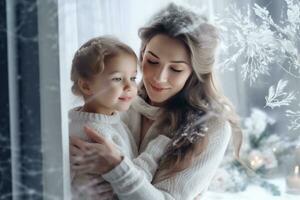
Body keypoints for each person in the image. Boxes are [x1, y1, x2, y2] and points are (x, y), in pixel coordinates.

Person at [70, 3, 242, 200]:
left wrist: (116, 167)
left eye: (176, 69)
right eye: (152, 61)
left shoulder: (212, 128)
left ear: (194, 73)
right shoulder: (119, 102)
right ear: (142, 54)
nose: (159, 77)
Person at [69, 36, 171, 200]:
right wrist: (156, 150)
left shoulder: (80, 123)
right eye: (117, 79)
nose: (130, 86)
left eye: (132, 78)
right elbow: (133, 179)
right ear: (86, 85)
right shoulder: (97, 133)